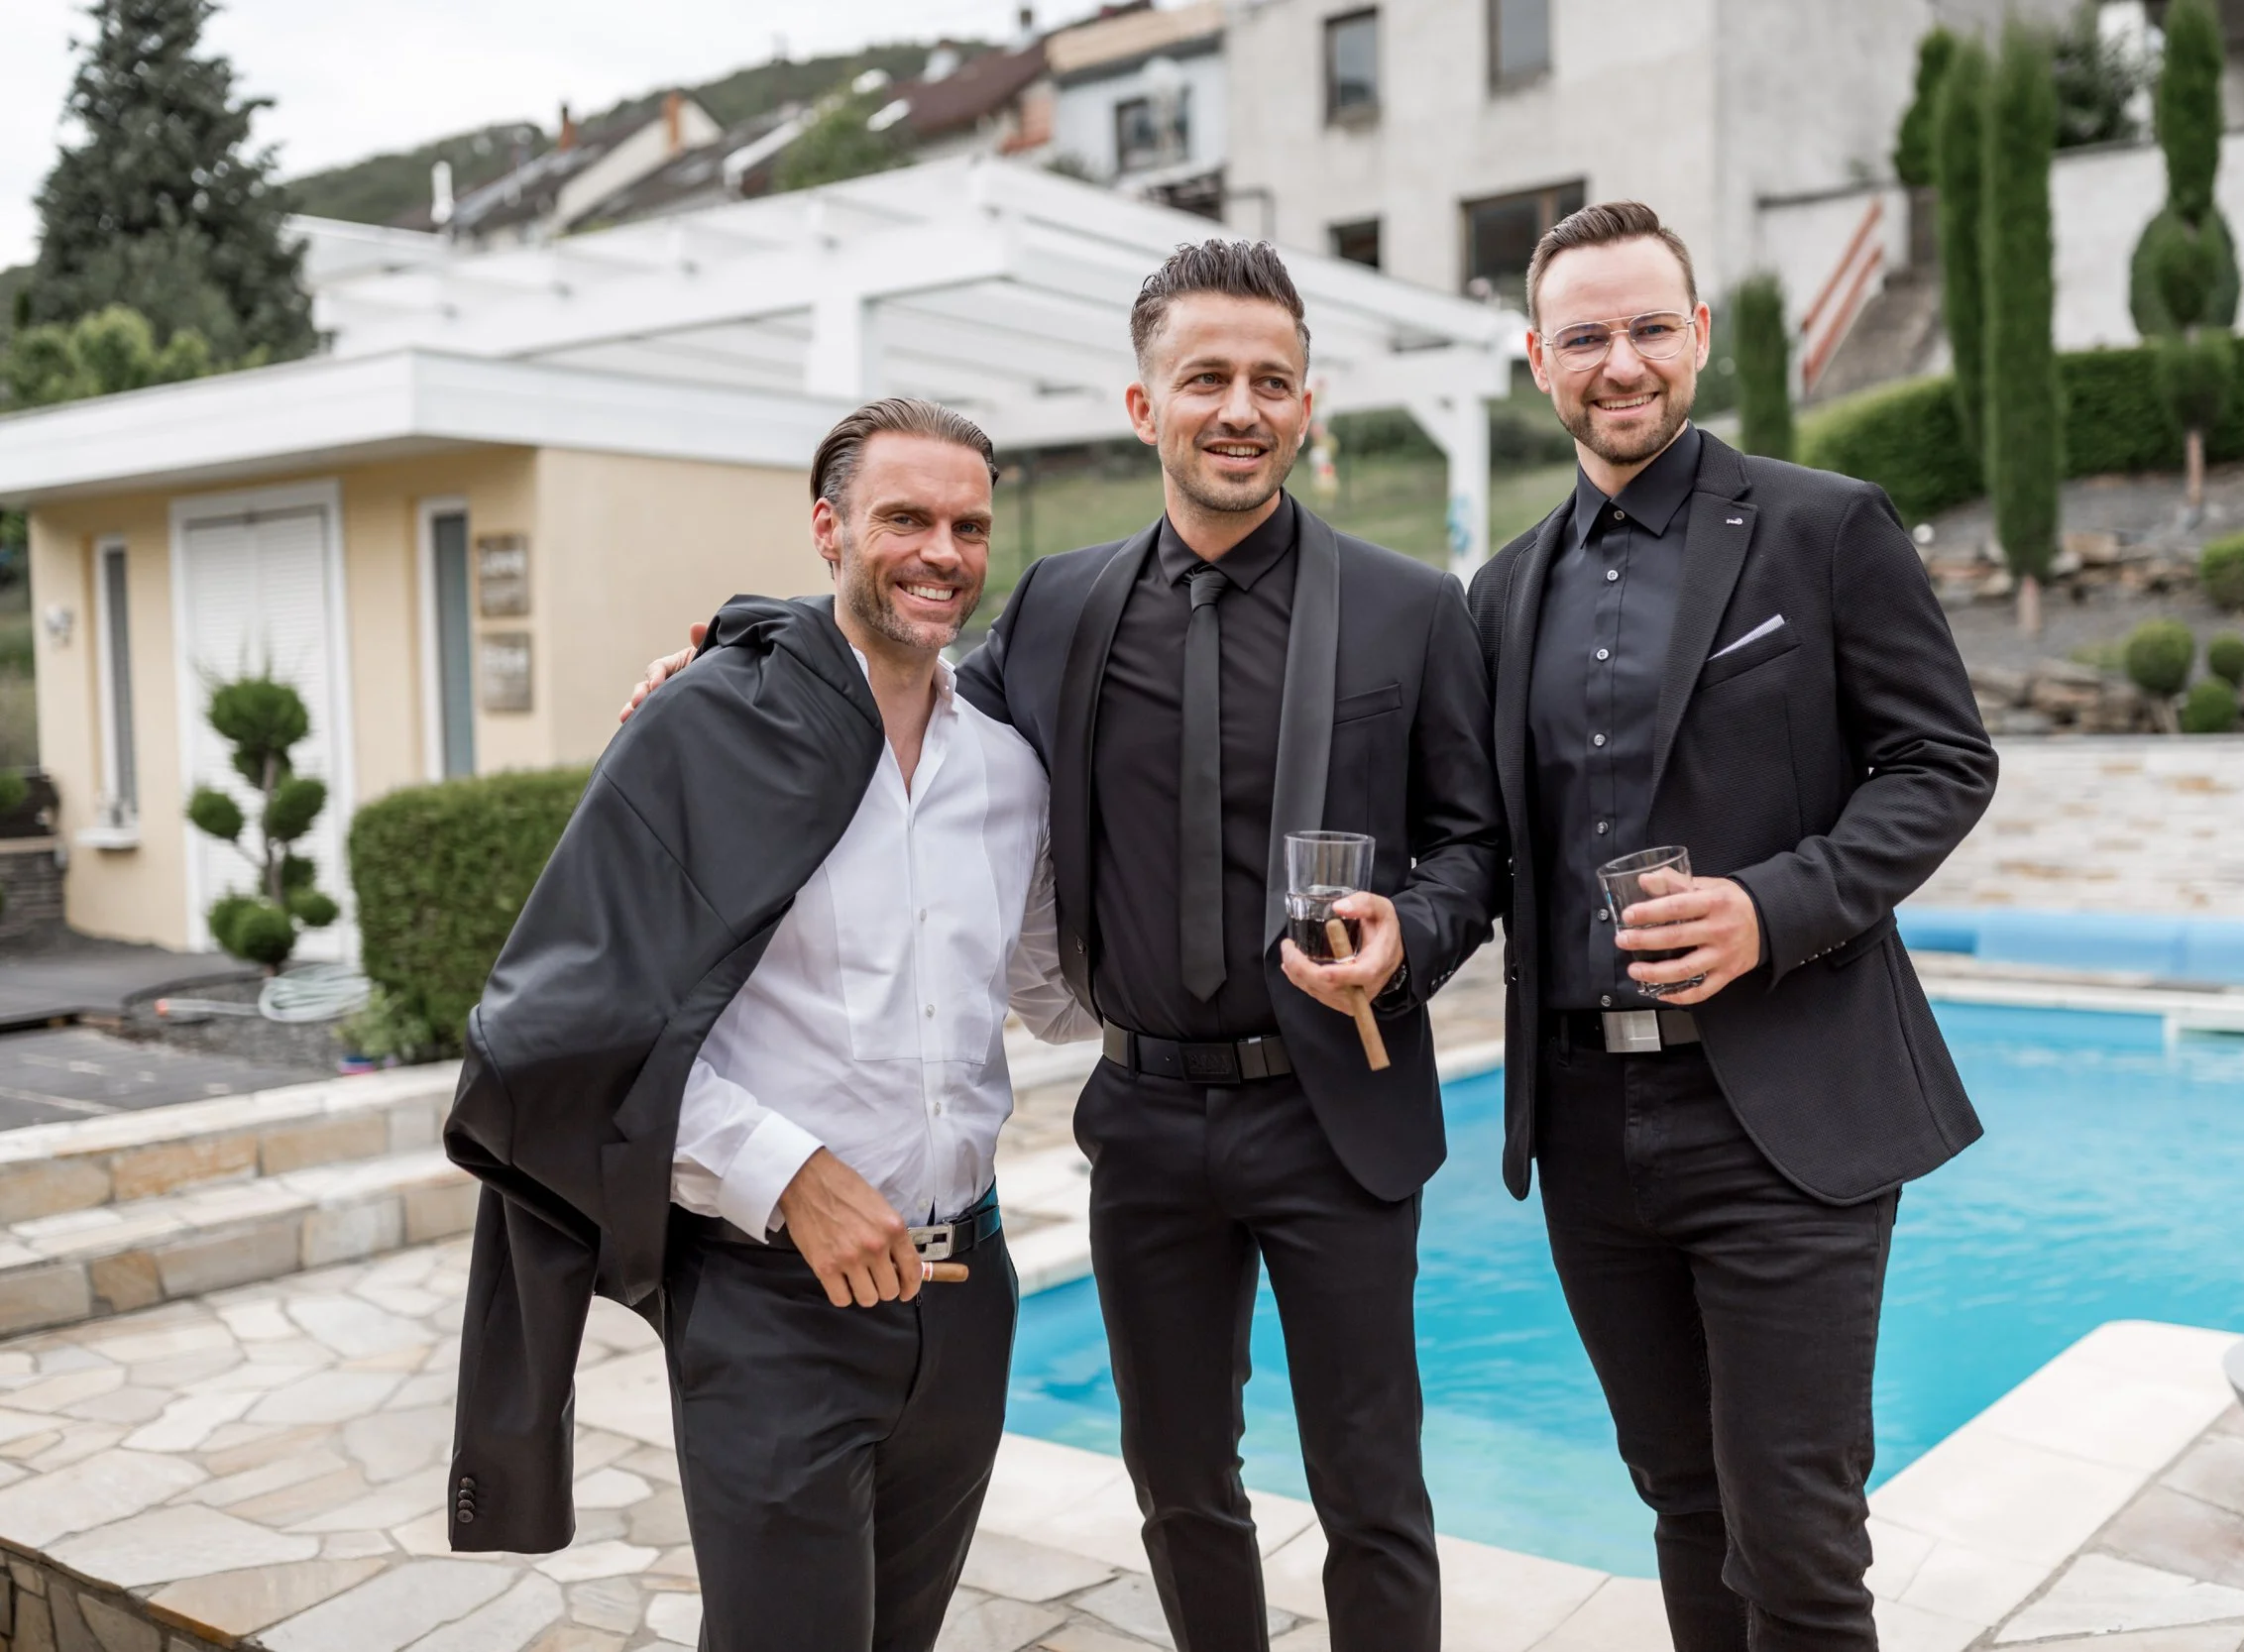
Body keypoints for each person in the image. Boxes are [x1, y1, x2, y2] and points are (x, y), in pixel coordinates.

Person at [628, 241, 1502, 1652]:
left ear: (1308, 404)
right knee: (1177, 1481)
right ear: (1142, 405)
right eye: (1204, 376)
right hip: (1146, 1117)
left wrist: (1419, 930)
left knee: (1373, 1483)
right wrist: (728, 657)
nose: (1240, 405)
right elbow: (898, 654)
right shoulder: (1057, 604)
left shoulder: (1414, 607)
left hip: (1333, 1102)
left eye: (1270, 380)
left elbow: (1476, 842)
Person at [444, 396, 1093, 1652]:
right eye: (904, 517)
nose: (941, 552)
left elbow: (1056, 991)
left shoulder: (1008, 770)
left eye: (968, 524)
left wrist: (1260, 968)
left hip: (967, 1294)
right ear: (828, 528)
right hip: (769, 1304)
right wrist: (786, 1175)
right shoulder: (705, 727)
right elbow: (571, 1029)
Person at [1466, 201, 1998, 1652]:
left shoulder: (1829, 526)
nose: (1620, 360)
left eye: (1649, 327)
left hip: (1787, 1104)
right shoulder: (1501, 592)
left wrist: (1771, 906)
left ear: (1697, 336)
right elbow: (1478, 842)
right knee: (1681, 1498)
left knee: (1800, 1533)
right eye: (1586, 336)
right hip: (1583, 1116)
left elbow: (1946, 763)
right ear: (1538, 361)